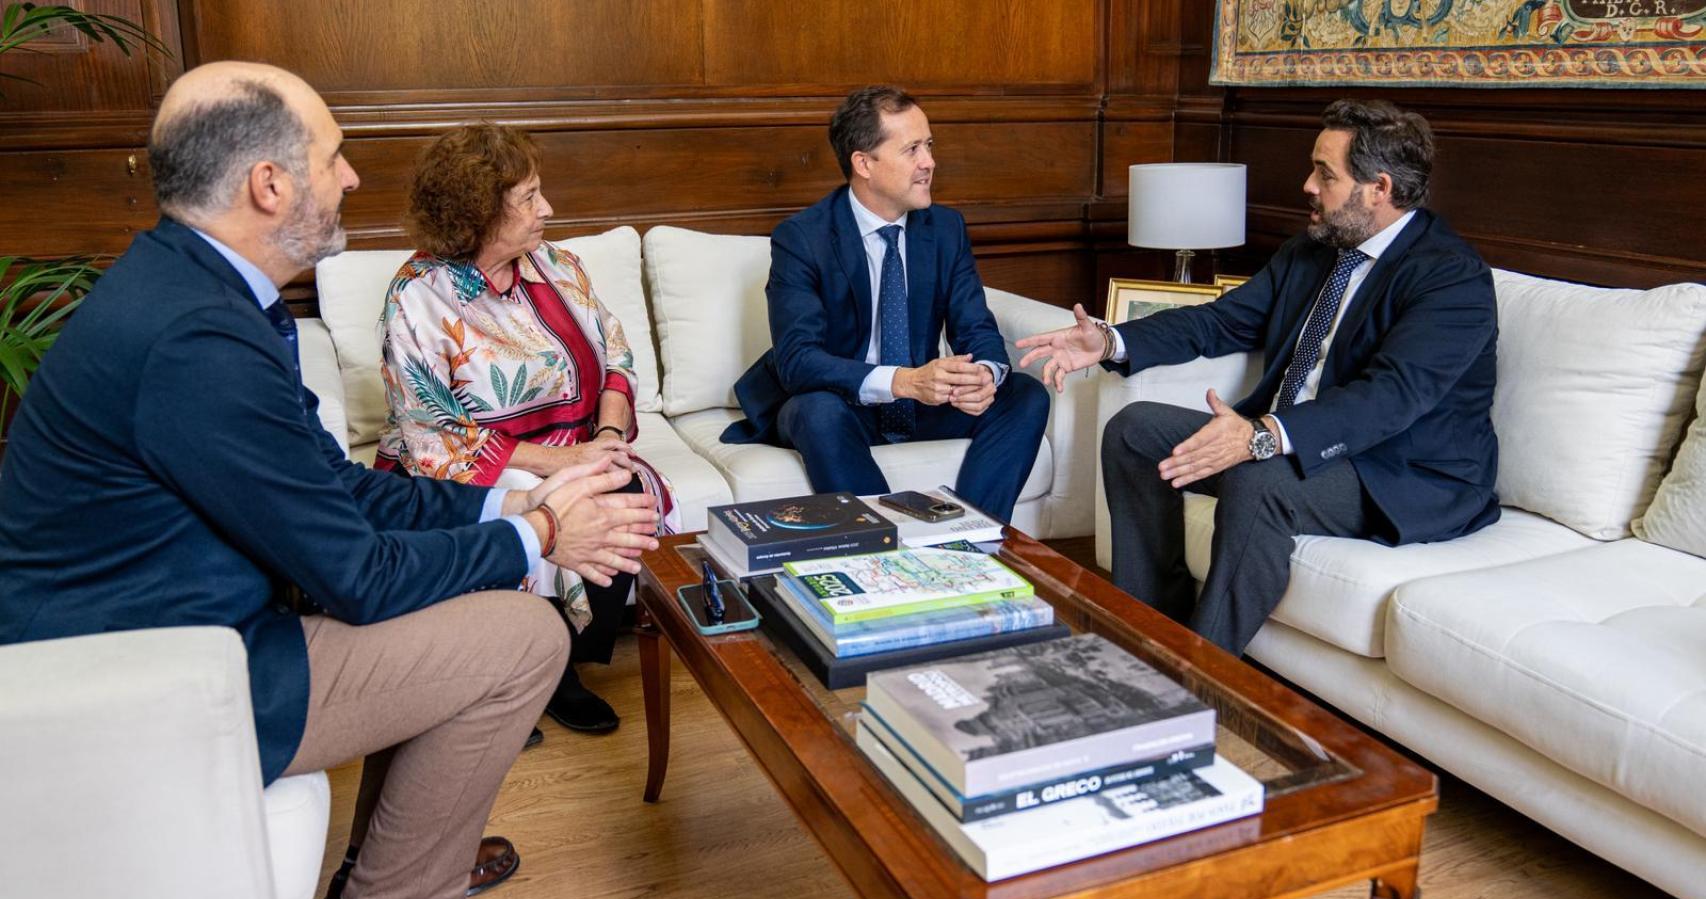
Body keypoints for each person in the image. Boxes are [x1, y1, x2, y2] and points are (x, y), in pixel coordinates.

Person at [0, 61, 658, 899]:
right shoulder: (197, 338)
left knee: (482, 607)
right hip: (154, 672)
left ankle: (385, 874)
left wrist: (509, 500)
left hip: (188, 627)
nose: (350, 177)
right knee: (526, 639)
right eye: (334, 154)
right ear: (269, 185)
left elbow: (338, 488)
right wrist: (540, 535)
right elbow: (357, 575)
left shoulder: (198, 294)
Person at [1017, 99, 1499, 657]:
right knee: (1133, 431)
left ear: (1379, 188)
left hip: (1399, 470)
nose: (1308, 186)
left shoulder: (1450, 278)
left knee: (1258, 477)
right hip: (1298, 440)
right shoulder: (1315, 252)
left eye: (1326, 173)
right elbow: (1222, 320)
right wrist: (1111, 340)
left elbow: (1390, 399)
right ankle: (1150, 633)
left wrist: (1260, 435)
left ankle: (1197, 673)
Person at [375, 122, 678, 735]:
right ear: (480, 212)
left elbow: (617, 358)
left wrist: (609, 441)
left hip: (582, 445)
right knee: (556, 495)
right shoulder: (418, 296)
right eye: (530, 197)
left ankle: (562, 661)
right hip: (472, 459)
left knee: (620, 490)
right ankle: (520, 668)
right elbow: (435, 437)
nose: (549, 209)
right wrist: (559, 465)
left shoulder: (558, 265)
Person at [720, 85, 1049, 524]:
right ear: (864, 163)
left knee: (1024, 393)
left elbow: (977, 327)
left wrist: (984, 375)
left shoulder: (945, 228)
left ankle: (971, 537)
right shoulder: (804, 238)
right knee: (814, 410)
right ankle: (890, 545)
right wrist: (904, 381)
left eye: (929, 145)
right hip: (844, 404)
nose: (929, 162)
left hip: (919, 403)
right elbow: (797, 360)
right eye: (912, 149)